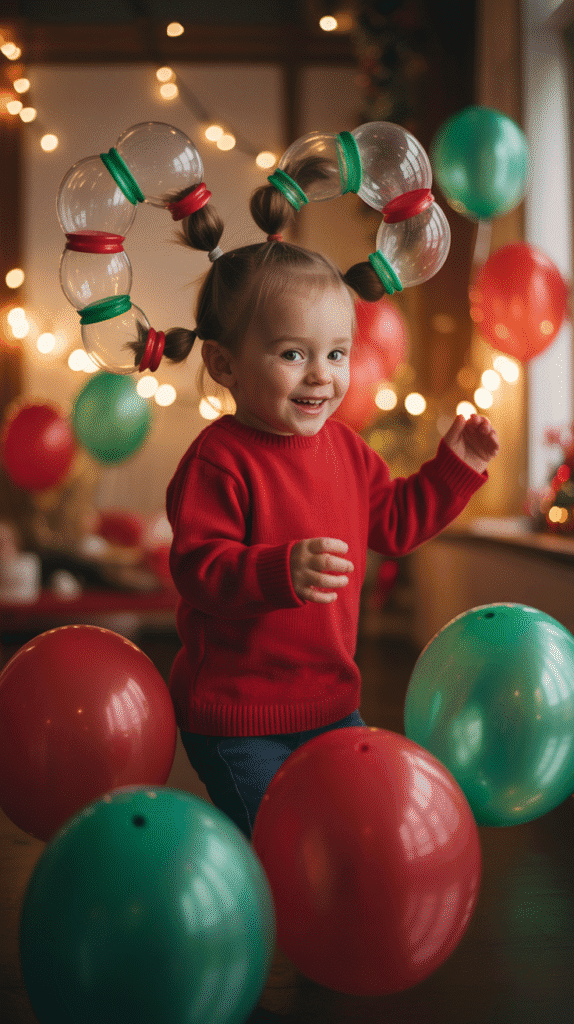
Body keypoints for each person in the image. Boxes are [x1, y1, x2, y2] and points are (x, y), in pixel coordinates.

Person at [132, 168, 500, 843]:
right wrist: (280, 571)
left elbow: (394, 523)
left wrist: (456, 470)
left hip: (332, 705)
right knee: (279, 845)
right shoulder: (219, 461)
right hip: (238, 717)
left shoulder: (347, 450)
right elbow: (198, 569)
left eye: (336, 353)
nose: (322, 375)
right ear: (223, 365)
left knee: (345, 838)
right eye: (292, 354)